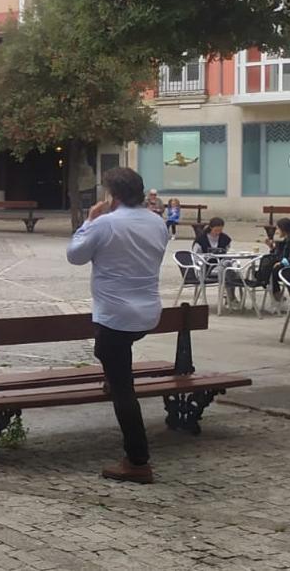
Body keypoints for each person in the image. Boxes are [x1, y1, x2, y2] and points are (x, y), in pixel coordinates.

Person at [66, 167, 168, 484]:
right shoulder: (158, 221)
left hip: (116, 315)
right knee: (109, 352)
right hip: (149, 312)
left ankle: (138, 461)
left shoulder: (106, 224)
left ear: (113, 196)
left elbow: (75, 256)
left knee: (123, 388)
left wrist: (89, 220)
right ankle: (112, 378)